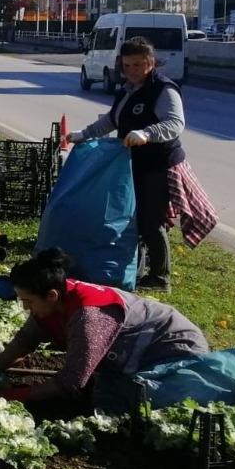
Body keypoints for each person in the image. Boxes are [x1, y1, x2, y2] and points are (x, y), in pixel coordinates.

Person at [0, 247, 208, 418]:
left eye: (29, 301)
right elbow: (26, 340)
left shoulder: (88, 316)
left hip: (174, 351)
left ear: (52, 295)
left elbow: (71, 380)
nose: (26, 308)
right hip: (131, 353)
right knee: (102, 396)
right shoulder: (52, 301)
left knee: (130, 410)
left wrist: (15, 396)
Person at [69, 36, 184, 290]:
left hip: (157, 165)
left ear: (151, 63)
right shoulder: (127, 89)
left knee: (152, 221)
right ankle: (137, 268)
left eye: (139, 65)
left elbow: (175, 124)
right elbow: (112, 120)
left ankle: (160, 277)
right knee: (133, 217)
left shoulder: (164, 89)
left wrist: (147, 133)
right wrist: (84, 134)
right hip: (131, 164)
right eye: (127, 65)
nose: (132, 70)